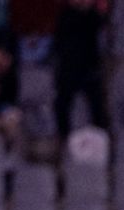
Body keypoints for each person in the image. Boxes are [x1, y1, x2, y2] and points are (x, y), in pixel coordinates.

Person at [52, 0, 108, 139]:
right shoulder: (65, 15)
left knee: (98, 108)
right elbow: (59, 41)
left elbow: (99, 24)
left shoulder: (93, 15)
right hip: (68, 68)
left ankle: (101, 141)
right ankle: (64, 139)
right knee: (62, 105)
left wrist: (89, 9)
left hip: (90, 68)